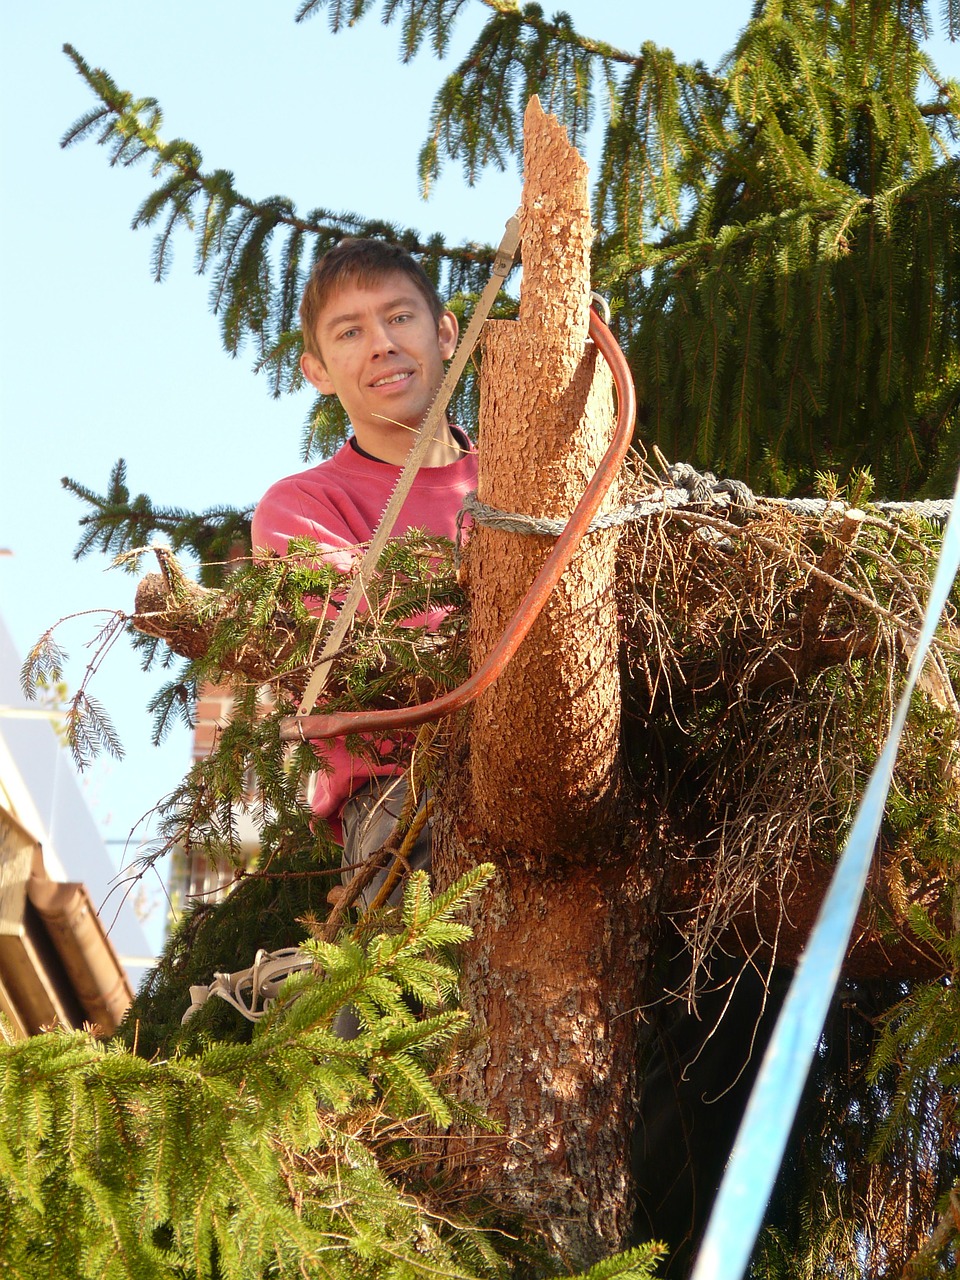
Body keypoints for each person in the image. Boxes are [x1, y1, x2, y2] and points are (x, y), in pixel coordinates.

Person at [251, 238, 478, 908]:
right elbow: (376, 635)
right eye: (350, 332)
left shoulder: (524, 476)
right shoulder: (301, 507)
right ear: (317, 370)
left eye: (399, 317)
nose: (381, 344)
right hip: (401, 793)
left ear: (443, 333)